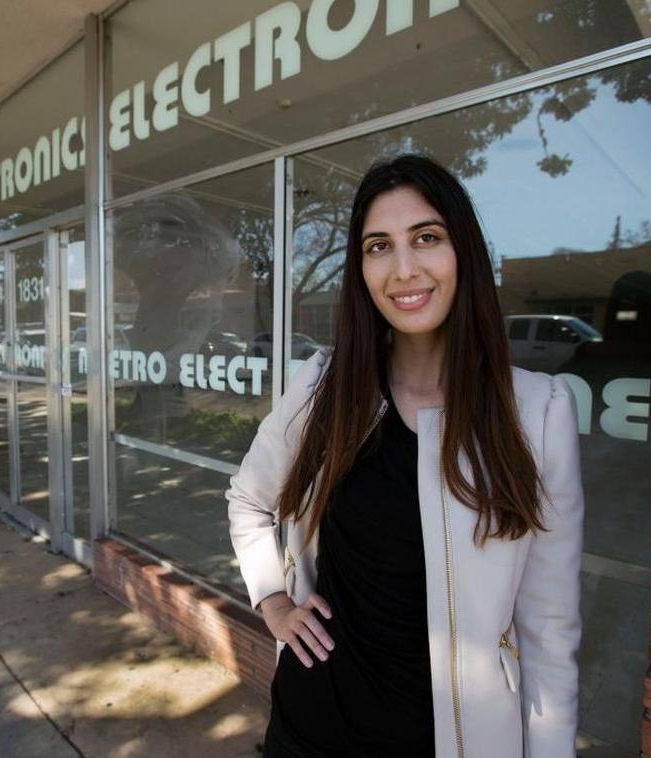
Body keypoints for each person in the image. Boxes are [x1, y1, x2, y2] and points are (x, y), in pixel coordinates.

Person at [227, 155, 583, 757]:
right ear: (361, 270)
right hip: (311, 728)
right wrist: (275, 602)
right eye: (378, 246)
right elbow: (248, 501)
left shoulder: (537, 411)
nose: (404, 268)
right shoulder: (324, 388)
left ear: (463, 250)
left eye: (426, 237)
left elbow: (549, 634)